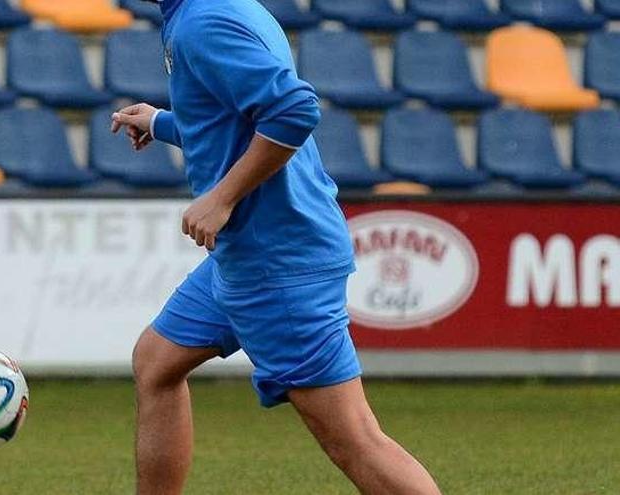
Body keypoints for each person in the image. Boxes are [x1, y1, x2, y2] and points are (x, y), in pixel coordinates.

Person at [110, 0, 442, 493]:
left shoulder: (204, 22)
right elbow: (229, 120)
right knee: (156, 361)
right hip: (246, 253)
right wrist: (161, 122)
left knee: (355, 440)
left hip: (277, 259)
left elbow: (293, 109)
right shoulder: (212, 10)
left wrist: (220, 199)